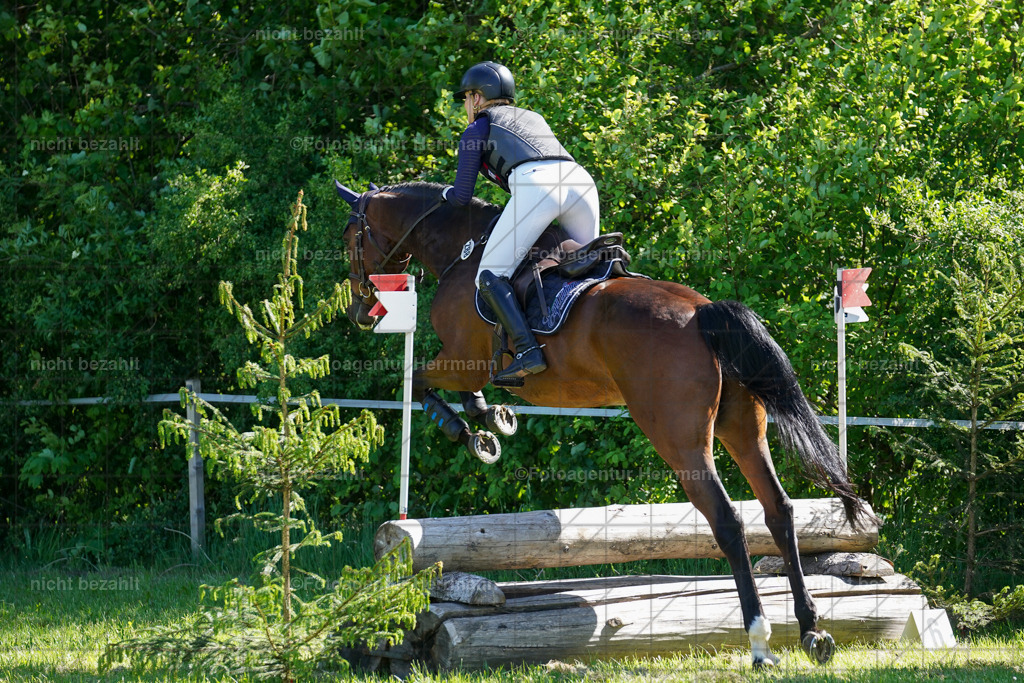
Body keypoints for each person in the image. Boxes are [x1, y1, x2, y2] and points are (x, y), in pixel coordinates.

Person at [442, 61, 601, 385]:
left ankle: (528, 351)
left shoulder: (477, 129)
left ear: (476, 98)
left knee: (488, 275)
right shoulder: (534, 119)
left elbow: (461, 197)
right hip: (581, 183)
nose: (466, 107)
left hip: (540, 186)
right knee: (589, 272)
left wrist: (440, 193)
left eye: (466, 99)